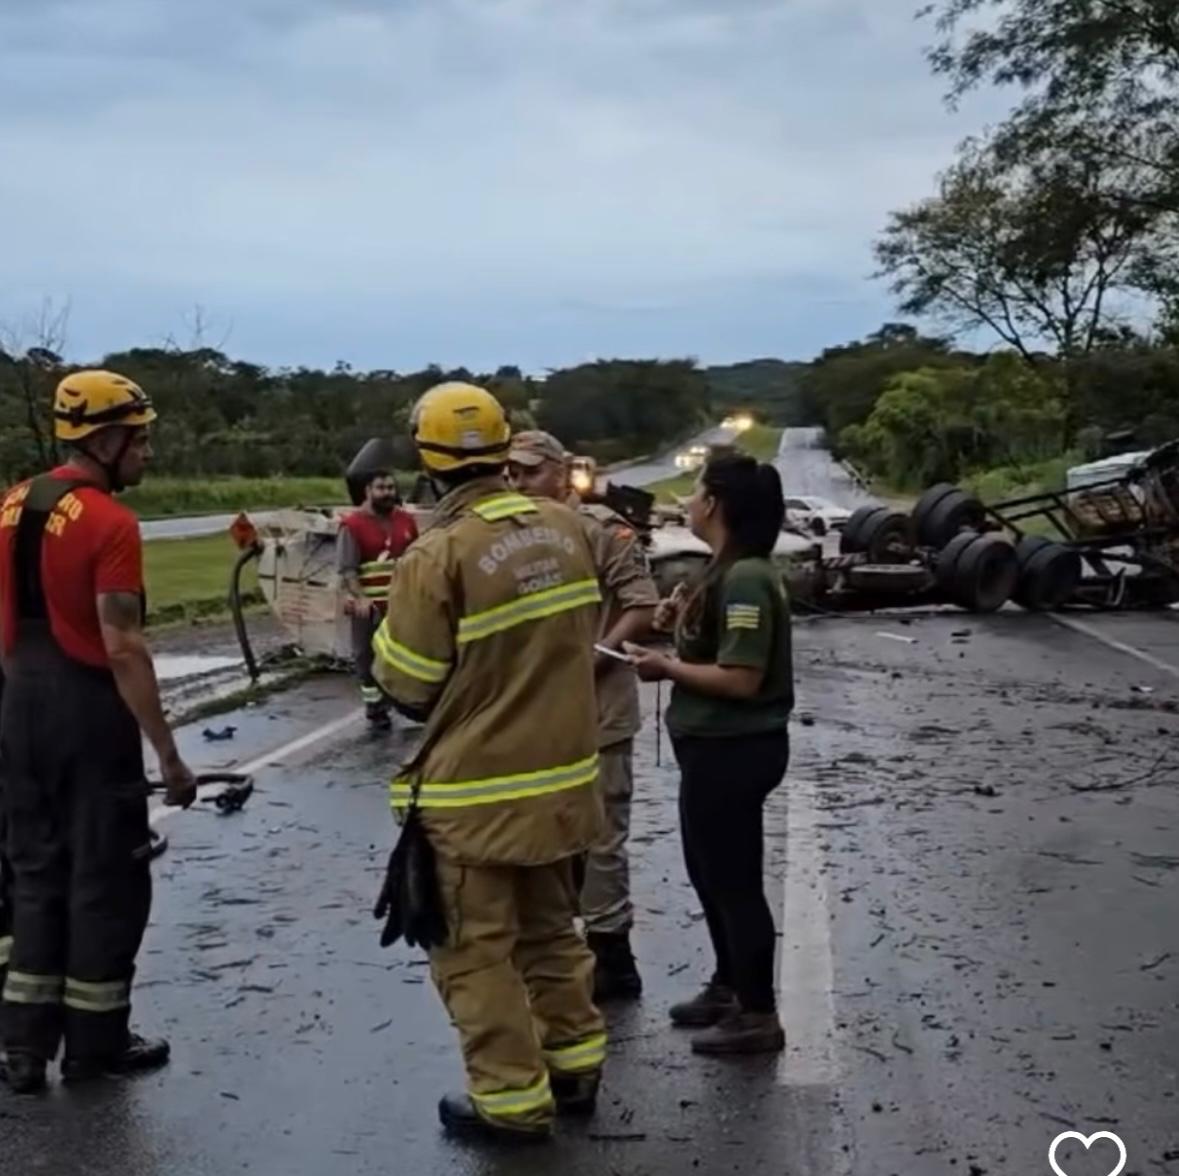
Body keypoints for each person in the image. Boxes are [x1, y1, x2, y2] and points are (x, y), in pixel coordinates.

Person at [371, 382, 608, 1142]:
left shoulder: (436, 555)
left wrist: (382, 639)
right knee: (551, 936)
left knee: (474, 955)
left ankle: (509, 1102)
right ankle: (576, 1070)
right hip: (564, 785)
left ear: (426, 459)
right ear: (506, 447)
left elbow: (406, 687)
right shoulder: (567, 528)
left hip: (475, 798)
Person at [0, 369, 197, 1094]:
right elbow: (122, 645)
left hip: (19, 701)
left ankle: (21, 1050)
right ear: (106, 439)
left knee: (31, 874)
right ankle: (94, 1045)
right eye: (140, 439)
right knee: (105, 882)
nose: (147, 452)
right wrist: (170, 758)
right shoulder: (111, 523)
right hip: (87, 712)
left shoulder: (14, 502)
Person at [626, 453, 792, 1056]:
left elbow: (742, 678)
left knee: (735, 881)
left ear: (715, 504)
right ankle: (730, 985)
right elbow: (715, 647)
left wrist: (666, 666)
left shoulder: (746, 576)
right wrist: (676, 626)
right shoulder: (720, 571)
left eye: (696, 492)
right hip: (710, 748)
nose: (689, 502)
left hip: (735, 749)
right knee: (709, 873)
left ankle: (758, 1014)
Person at [507, 431, 657, 1000]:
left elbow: (641, 603)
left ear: (561, 473)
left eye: (530, 473)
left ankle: (612, 953)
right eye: (512, 475)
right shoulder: (515, 540)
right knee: (551, 836)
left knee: (601, 837)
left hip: (600, 709)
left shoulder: (600, 532)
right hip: (540, 716)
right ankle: (560, 948)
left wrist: (598, 655)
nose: (519, 484)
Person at [336, 454, 418, 729]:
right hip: (369, 607)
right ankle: (375, 708)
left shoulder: (406, 521)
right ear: (368, 491)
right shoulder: (352, 525)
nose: (387, 493)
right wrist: (360, 597)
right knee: (366, 656)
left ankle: (409, 702)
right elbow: (347, 569)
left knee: (407, 655)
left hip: (401, 605)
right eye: (381, 488)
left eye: (390, 488)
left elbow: (416, 559)